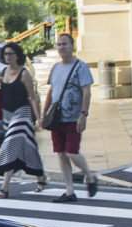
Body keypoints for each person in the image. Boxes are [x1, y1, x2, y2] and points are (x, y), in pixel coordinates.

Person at [41, 33, 96, 202]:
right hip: (57, 119)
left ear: (72, 46)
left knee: (71, 152)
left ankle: (89, 175)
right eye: (58, 44)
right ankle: (70, 190)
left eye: (64, 44)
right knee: (61, 154)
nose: (61, 47)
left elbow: (86, 91)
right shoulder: (56, 68)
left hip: (73, 118)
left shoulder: (81, 67)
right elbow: (51, 92)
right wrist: (44, 114)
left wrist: (83, 114)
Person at [0, 42, 46, 198]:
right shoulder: (3, 72)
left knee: (10, 145)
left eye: (11, 54)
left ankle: (4, 188)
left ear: (17, 55)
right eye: (6, 54)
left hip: (23, 113)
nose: (8, 56)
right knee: (27, 147)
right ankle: (41, 177)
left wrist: (39, 117)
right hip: (7, 115)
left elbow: (33, 98)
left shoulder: (24, 73)